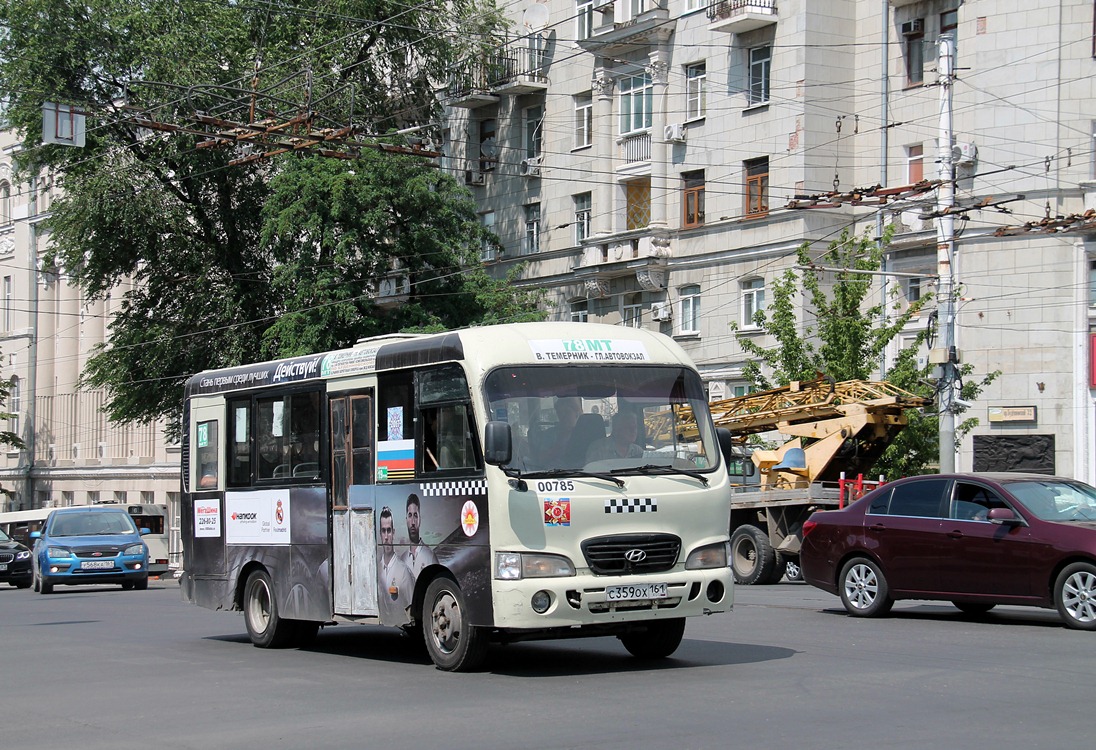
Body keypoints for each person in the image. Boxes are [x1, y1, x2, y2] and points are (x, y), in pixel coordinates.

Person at [377, 506, 415, 624]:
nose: (386, 536)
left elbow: (412, 610)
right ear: (380, 534)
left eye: (389, 530)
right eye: (383, 531)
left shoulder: (404, 572)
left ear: (393, 533)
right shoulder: (376, 570)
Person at [533, 396, 582, 467]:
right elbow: (541, 458)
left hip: (583, 474)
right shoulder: (549, 434)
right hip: (551, 473)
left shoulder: (583, 434)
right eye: (560, 413)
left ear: (576, 414)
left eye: (567, 412)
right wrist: (558, 446)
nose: (563, 416)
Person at [400, 493, 438, 578]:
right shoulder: (402, 559)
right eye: (410, 515)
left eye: (415, 515)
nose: (413, 522)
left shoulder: (430, 556)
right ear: (406, 520)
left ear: (420, 519)